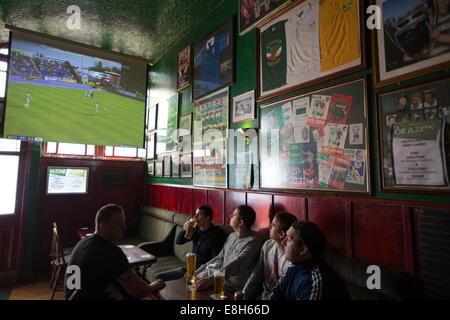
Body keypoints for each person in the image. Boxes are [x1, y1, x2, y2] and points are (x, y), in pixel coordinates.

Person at [64, 204, 165, 300]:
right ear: (103, 226)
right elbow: (138, 291)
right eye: (119, 224)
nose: (124, 227)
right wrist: (154, 285)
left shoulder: (83, 242)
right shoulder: (111, 252)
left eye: (124, 222)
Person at [269, 220, 349, 300]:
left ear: (303, 249)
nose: (283, 242)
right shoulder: (294, 266)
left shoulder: (316, 282)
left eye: (289, 240)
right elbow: (275, 294)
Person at [194, 205, 264, 292]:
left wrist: (210, 280)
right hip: (220, 281)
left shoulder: (253, 242)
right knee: (192, 286)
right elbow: (220, 257)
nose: (230, 216)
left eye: (233, 215)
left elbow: (235, 265)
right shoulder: (231, 236)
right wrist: (199, 270)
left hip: (233, 288)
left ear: (241, 222)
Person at [153, 205, 227, 281]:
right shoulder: (196, 229)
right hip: (190, 268)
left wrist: (196, 272)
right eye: (195, 214)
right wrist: (185, 229)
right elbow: (178, 241)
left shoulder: (216, 234)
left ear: (207, 218)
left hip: (203, 273)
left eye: (198, 215)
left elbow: (215, 261)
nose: (195, 217)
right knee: (158, 277)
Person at [242, 212, 297, 300]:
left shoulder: (292, 258)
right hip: (262, 296)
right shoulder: (267, 245)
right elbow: (256, 275)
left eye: (273, 225)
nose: (269, 226)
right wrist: (243, 294)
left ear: (281, 234)